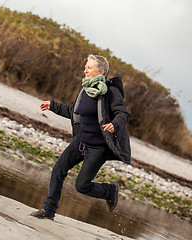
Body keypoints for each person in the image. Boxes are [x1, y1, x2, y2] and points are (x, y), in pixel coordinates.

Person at [31, 54, 131, 220]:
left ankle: (110, 191)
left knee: (82, 186)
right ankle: (48, 210)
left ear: (101, 72)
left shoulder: (110, 92)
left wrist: (114, 124)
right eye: (86, 66)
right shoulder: (85, 89)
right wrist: (53, 106)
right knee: (58, 170)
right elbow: (75, 112)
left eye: (89, 67)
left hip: (98, 147)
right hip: (81, 141)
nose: (85, 70)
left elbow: (123, 113)